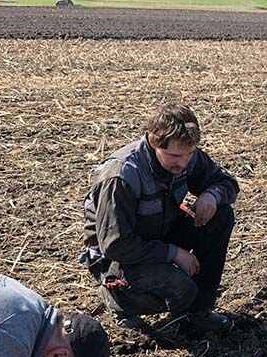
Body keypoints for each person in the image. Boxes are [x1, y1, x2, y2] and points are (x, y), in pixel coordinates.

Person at [81, 104, 239, 332]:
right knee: (181, 289)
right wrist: (173, 254)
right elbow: (115, 244)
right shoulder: (121, 176)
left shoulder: (184, 156)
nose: (184, 163)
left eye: (190, 154)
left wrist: (212, 195)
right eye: (175, 156)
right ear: (154, 142)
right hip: (120, 256)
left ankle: (197, 311)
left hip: (159, 231)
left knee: (221, 216)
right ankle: (118, 297)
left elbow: (227, 182)